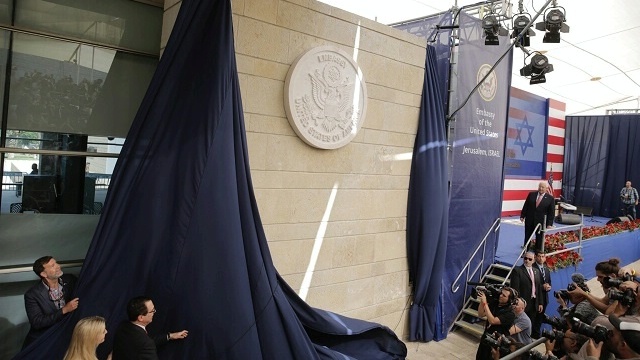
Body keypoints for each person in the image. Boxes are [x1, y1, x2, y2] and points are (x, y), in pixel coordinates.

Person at [23, 256, 79, 348]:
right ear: (44, 274)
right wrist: (64, 310)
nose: (58, 266)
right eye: (53, 266)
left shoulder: (70, 279)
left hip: (69, 333)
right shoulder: (32, 295)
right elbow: (37, 322)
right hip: (47, 338)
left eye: (56, 263)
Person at [112, 296, 188, 360]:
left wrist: (169, 336)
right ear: (141, 317)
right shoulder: (146, 344)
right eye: (152, 311)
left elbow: (140, 344)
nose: (155, 312)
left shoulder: (123, 326)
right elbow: (144, 344)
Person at [475, 287, 517, 360]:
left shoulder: (510, 313)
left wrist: (485, 303)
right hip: (486, 337)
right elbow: (481, 314)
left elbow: (493, 321)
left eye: (504, 296)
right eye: (501, 293)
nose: (500, 296)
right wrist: (482, 301)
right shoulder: (495, 304)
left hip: (497, 343)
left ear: (510, 300)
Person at [509, 251, 543, 327]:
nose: (527, 260)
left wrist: (540, 302)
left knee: (531, 322)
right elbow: (515, 288)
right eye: (525, 258)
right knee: (519, 322)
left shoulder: (536, 271)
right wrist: (518, 302)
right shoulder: (517, 270)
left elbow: (538, 288)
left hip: (534, 302)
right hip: (523, 302)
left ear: (534, 260)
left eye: (530, 259)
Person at [520, 181, 555, 251]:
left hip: (541, 223)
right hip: (529, 220)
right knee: (527, 236)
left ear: (546, 188)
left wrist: (549, 224)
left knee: (539, 238)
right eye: (540, 187)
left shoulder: (550, 198)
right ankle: (525, 251)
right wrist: (522, 216)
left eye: (543, 187)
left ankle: (537, 254)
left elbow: (551, 212)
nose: (541, 188)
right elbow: (526, 205)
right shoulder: (531, 194)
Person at [532, 251, 552, 339]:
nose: (541, 258)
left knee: (540, 317)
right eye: (539, 256)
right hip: (535, 298)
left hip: (544, 298)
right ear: (536, 257)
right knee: (533, 317)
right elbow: (532, 284)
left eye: (542, 256)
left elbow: (549, 282)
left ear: (545, 258)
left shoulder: (546, 269)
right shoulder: (532, 268)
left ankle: (536, 334)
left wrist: (548, 287)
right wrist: (541, 287)